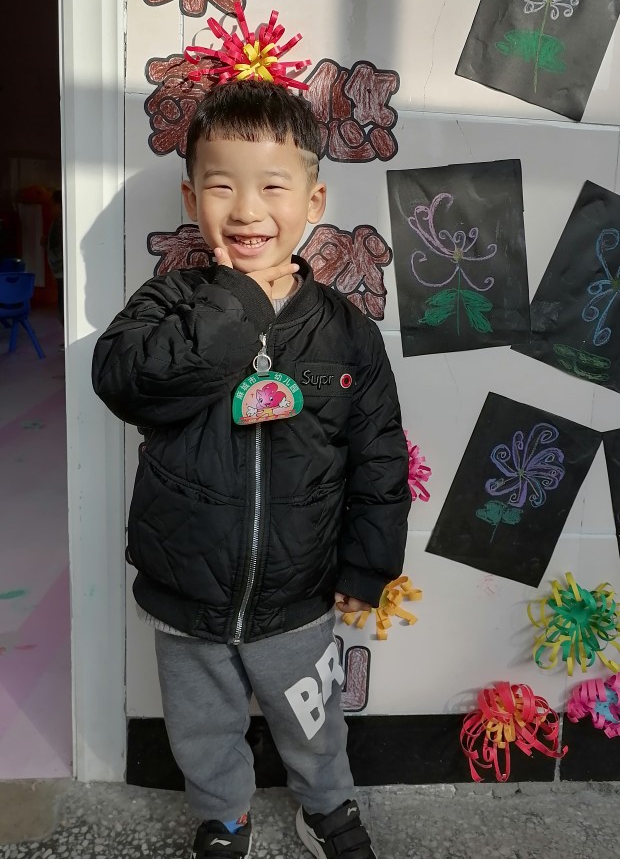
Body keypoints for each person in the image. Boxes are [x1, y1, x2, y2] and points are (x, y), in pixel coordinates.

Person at [92, 79, 410, 859]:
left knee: (312, 717)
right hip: (188, 585)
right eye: (221, 186)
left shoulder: (347, 333)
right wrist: (233, 303)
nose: (245, 210)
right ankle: (223, 816)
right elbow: (124, 381)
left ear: (313, 199)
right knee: (202, 725)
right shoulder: (169, 304)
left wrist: (368, 564)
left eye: (272, 186)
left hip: (301, 591)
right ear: (190, 196)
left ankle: (325, 806)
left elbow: (378, 452)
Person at [47, 190, 64, 340]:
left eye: (52, 205)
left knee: (63, 307)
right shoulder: (56, 222)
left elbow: (62, 248)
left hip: (62, 271)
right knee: (61, 306)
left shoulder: (62, 223)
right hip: (58, 270)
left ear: (59, 205)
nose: (50, 208)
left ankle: (68, 340)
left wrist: (53, 256)